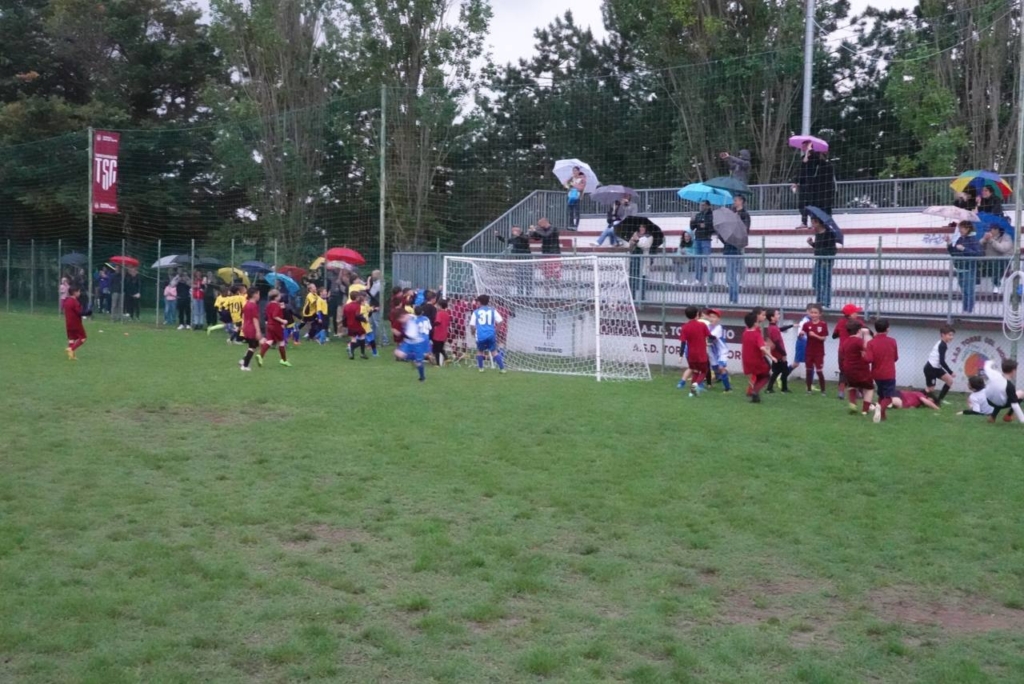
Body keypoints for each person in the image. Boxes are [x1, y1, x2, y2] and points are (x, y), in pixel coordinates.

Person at [865, 319, 899, 423]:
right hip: (889, 373)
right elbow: (896, 358)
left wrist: (863, 355)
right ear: (887, 329)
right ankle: (880, 408)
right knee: (888, 397)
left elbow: (869, 359)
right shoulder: (892, 341)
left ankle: (882, 416)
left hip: (876, 374)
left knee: (881, 395)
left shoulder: (871, 343)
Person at [840, 320, 875, 415]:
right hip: (860, 368)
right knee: (869, 388)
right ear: (859, 331)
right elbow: (868, 347)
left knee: (852, 386)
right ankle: (865, 410)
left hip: (848, 368)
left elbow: (843, 353)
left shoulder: (845, 341)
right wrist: (867, 334)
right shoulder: (859, 341)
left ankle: (852, 403)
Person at [945, 221, 982, 313]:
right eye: (959, 228)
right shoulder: (960, 239)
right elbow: (954, 253)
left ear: (967, 229)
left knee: (968, 291)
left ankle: (969, 310)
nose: (960, 230)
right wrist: (949, 243)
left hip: (969, 268)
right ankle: (965, 310)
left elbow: (977, 253)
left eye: (961, 228)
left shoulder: (973, 239)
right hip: (960, 268)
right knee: (964, 291)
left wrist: (964, 249)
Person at [832, 303, 866, 400]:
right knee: (858, 370)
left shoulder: (840, 322)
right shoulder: (858, 323)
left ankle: (841, 391)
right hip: (855, 350)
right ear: (850, 314)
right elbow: (867, 331)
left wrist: (842, 333)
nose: (857, 314)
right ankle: (859, 392)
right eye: (855, 312)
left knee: (843, 371)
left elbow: (834, 335)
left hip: (842, 350)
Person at [469, 294, 506, 373]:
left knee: (480, 351)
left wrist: (472, 332)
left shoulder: (476, 312)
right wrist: (496, 330)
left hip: (481, 335)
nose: (477, 303)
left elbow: (472, 325)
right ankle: (502, 369)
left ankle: (481, 368)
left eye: (477, 301)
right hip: (491, 334)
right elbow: (500, 321)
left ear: (479, 302)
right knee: (494, 352)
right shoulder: (493, 310)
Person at [741, 311, 773, 403]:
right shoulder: (756, 333)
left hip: (747, 360)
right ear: (755, 322)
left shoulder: (745, 333)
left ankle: (754, 393)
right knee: (766, 376)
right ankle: (754, 391)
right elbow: (761, 347)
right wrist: (772, 356)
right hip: (757, 359)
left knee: (759, 375)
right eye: (762, 315)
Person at [679, 306, 711, 397]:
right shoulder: (702, 325)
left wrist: (681, 355)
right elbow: (709, 335)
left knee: (695, 372)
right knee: (704, 371)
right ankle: (696, 384)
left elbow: (683, 341)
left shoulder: (685, 327)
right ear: (697, 314)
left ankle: (692, 393)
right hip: (701, 353)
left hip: (691, 354)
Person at [724, 195, 749, 304]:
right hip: (728, 246)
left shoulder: (744, 215)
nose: (734, 202)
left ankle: (734, 299)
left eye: (735, 200)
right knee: (730, 276)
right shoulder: (731, 213)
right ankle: (731, 298)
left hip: (736, 247)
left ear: (741, 201)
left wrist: (736, 220)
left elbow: (745, 230)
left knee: (732, 275)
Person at [807, 215, 837, 308]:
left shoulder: (829, 233)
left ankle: (826, 302)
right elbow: (818, 247)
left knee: (825, 281)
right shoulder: (818, 234)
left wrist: (826, 257)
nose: (812, 224)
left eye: (813, 222)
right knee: (816, 281)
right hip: (818, 260)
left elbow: (833, 249)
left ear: (817, 222)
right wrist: (812, 244)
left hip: (826, 261)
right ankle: (819, 301)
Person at [983, 358, 1024, 423]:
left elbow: (986, 366)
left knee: (1002, 395)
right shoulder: (1009, 386)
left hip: (989, 400)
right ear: (1013, 371)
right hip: (1000, 403)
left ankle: (992, 417)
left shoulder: (994, 373)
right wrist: (1023, 419)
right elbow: (1015, 405)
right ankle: (1008, 416)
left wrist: (992, 361)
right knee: (1021, 393)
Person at [258, 289, 292, 367]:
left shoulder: (269, 304)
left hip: (269, 325)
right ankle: (284, 360)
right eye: (279, 295)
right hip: (276, 326)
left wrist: (282, 309)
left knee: (269, 341)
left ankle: (261, 355)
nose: (280, 297)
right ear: (276, 297)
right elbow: (275, 316)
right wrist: (283, 321)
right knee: (282, 342)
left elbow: (269, 315)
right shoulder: (276, 305)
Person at [924, 326, 956, 404]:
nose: (951, 337)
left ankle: (939, 400)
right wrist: (950, 372)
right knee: (930, 389)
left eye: (952, 335)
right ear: (943, 335)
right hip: (930, 368)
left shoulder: (943, 344)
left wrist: (949, 373)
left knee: (949, 380)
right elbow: (942, 361)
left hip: (936, 368)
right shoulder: (942, 345)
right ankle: (918, 397)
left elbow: (940, 362)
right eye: (949, 335)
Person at [395, 309, 429, 382]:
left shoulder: (412, 323)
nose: (401, 322)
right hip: (408, 342)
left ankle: (422, 378)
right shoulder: (409, 316)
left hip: (417, 343)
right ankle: (415, 358)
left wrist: (399, 333)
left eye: (400, 319)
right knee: (398, 353)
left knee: (419, 364)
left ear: (403, 316)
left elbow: (410, 335)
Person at [801, 303, 828, 394]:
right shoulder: (806, 324)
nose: (813, 314)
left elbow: (823, 338)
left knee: (819, 371)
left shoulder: (823, 325)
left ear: (820, 314)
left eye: (815, 313)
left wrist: (815, 335)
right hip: (809, 351)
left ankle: (823, 390)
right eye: (812, 312)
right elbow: (802, 333)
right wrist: (801, 334)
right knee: (808, 370)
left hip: (819, 352)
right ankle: (808, 389)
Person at [979, 224, 1012, 294]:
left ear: (997, 230)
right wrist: (984, 240)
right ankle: (976, 283)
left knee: (997, 264)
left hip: (1002, 261)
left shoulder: (1006, 237)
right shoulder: (987, 236)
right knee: (976, 263)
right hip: (987, 260)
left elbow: (1002, 249)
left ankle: (997, 285)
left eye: (992, 229)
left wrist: (991, 241)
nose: (990, 230)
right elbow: (978, 246)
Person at [704, 308, 732, 392]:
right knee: (717, 370)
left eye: (714, 317)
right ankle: (725, 375)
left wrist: (704, 338)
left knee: (720, 368)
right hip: (712, 353)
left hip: (721, 352)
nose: (712, 319)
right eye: (710, 317)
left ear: (718, 319)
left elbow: (711, 337)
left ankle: (728, 389)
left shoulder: (718, 327)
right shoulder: (707, 327)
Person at [765, 309, 791, 393]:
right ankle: (784, 388)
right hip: (778, 353)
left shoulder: (772, 327)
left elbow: (780, 329)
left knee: (777, 371)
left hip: (776, 353)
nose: (779, 316)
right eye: (777, 314)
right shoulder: (774, 329)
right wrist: (783, 354)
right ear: (772, 317)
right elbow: (776, 343)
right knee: (785, 371)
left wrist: (792, 325)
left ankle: (770, 388)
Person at [690, 200, 715, 283]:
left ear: (708, 206)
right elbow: (692, 227)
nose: (701, 207)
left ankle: (710, 279)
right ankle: (698, 279)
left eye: (704, 205)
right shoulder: (698, 215)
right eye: (701, 205)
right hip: (698, 238)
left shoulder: (711, 215)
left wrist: (706, 226)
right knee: (697, 260)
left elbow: (713, 228)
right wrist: (692, 220)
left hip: (706, 239)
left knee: (707, 259)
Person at [62, 284, 89, 360]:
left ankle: (71, 356)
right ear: (75, 292)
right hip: (76, 323)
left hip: (68, 323)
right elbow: (79, 312)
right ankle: (72, 349)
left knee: (72, 338)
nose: (79, 293)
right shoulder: (74, 302)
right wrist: (87, 312)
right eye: (78, 292)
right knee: (83, 337)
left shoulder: (66, 301)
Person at [239, 287, 262, 371]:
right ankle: (245, 366)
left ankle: (243, 360)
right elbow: (255, 319)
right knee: (252, 347)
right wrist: (258, 331)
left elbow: (244, 316)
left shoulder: (247, 304)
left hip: (246, 327)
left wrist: (243, 325)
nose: (259, 295)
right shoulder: (253, 305)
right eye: (258, 293)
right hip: (251, 328)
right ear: (254, 295)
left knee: (254, 346)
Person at [342, 290, 369, 360]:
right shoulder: (357, 306)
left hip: (349, 325)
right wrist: (364, 319)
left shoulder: (346, 306)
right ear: (356, 298)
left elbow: (344, 316)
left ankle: (352, 353)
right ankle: (359, 352)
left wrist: (345, 324)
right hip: (356, 324)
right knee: (362, 336)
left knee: (353, 338)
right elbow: (357, 316)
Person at [366, 269, 389, 346]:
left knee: (378, 323)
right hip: (373, 304)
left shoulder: (378, 284)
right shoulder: (376, 283)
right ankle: (373, 340)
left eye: (373, 275)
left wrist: (368, 282)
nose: (371, 276)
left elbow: (371, 293)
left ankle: (384, 340)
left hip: (376, 305)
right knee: (372, 323)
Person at [432, 298, 451, 366]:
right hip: (444, 334)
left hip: (438, 334)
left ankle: (438, 364)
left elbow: (438, 321)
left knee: (437, 350)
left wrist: (432, 325)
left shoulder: (439, 313)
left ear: (439, 306)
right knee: (440, 348)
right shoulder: (447, 314)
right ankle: (446, 358)